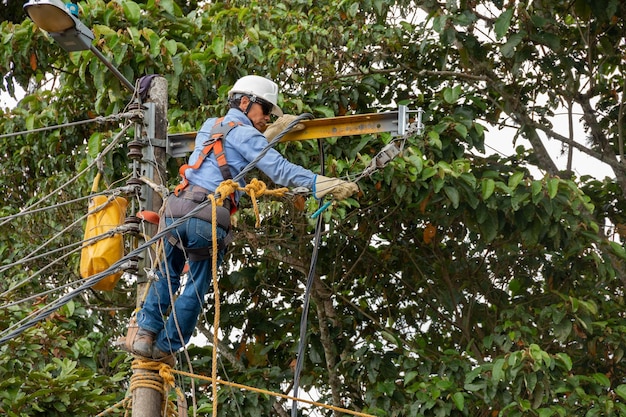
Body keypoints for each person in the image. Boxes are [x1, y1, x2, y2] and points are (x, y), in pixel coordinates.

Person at [122, 75, 359, 362]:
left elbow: (226, 150)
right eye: (266, 110)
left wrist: (268, 135)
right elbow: (279, 170)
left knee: (166, 273)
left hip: (175, 211)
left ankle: (145, 335)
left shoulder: (209, 125)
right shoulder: (247, 136)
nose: (268, 117)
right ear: (245, 102)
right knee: (195, 286)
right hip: (206, 218)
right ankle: (165, 348)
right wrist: (321, 184)